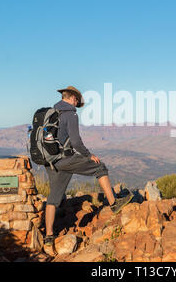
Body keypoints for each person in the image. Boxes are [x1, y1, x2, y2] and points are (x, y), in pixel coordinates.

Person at [43, 85, 133, 256]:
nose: (77, 103)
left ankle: (48, 236)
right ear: (72, 98)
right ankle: (114, 203)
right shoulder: (70, 113)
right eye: (77, 100)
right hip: (63, 159)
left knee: (53, 197)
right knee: (100, 167)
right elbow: (76, 141)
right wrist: (88, 155)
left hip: (49, 160)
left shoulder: (51, 112)